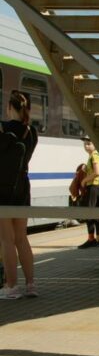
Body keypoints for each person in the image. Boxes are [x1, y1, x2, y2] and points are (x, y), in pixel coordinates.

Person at [0, 90, 40, 299]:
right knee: (22, 238)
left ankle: (11, 286)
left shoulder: (3, 129)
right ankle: (31, 285)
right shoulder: (31, 132)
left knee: (6, 240)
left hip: (2, 190)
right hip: (23, 188)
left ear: (9, 108)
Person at [78, 135, 99, 249]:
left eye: (89, 144)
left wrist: (84, 180)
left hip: (93, 187)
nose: (86, 146)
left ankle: (91, 239)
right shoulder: (94, 156)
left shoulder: (94, 156)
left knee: (90, 213)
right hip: (97, 187)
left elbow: (97, 172)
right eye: (85, 144)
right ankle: (98, 239)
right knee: (96, 214)